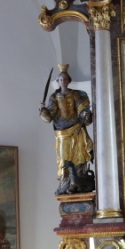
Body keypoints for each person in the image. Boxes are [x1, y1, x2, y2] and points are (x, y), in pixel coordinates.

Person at [39, 65, 94, 194]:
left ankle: (79, 182)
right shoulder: (54, 97)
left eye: (65, 79)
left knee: (78, 156)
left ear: (69, 80)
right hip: (62, 132)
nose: (63, 81)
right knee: (64, 159)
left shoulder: (76, 94)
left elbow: (82, 109)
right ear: (58, 82)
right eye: (60, 79)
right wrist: (43, 110)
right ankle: (65, 183)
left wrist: (85, 114)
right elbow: (49, 117)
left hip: (76, 129)